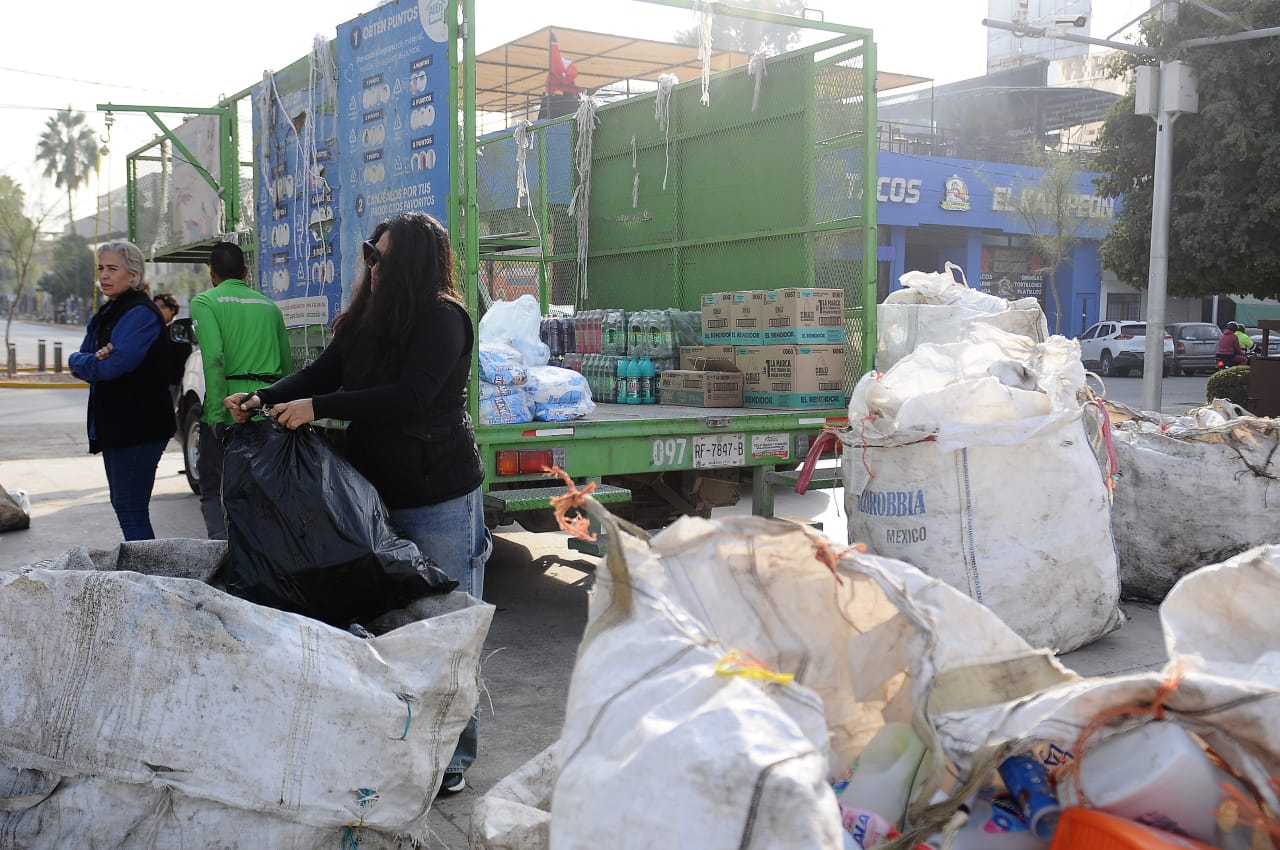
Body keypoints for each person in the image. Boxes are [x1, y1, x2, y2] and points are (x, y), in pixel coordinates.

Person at [224, 211, 491, 796]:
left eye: (381, 257)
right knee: (384, 623)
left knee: (447, 627)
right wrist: (265, 395)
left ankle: (453, 756)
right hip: (371, 496)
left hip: (437, 493)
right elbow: (324, 370)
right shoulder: (366, 319)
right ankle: (394, 738)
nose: (370, 265)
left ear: (411, 265)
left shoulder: (443, 320)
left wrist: (320, 407)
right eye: (369, 252)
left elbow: (411, 396)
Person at [68, 240, 175, 541]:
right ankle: (145, 577)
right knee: (124, 506)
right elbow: (81, 360)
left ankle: (148, 581)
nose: (104, 276)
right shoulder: (108, 312)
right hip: (117, 424)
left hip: (140, 425)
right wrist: (86, 360)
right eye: (101, 268)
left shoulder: (139, 313)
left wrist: (93, 362)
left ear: (133, 274)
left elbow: (114, 366)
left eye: (113, 269)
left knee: (130, 508)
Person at [189, 242, 292, 540]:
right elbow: (287, 368)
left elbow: (214, 359)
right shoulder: (269, 307)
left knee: (215, 490)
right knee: (261, 496)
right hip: (266, 411)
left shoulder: (205, 302)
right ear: (245, 272)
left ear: (212, 273)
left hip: (230, 410)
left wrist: (217, 416)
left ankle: (226, 559)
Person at [153, 292, 193, 408]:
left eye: (162, 307)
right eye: (155, 307)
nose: (157, 310)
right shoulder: (152, 330)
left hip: (171, 384)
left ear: (172, 310)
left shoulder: (177, 330)